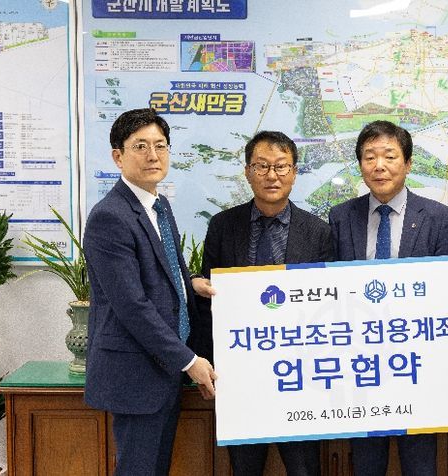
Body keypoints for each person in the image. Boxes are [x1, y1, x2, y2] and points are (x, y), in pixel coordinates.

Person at [83, 108, 217, 475]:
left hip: (163, 370)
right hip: (136, 374)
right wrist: (188, 361)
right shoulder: (110, 216)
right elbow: (132, 305)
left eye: (160, 145)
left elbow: (162, 266)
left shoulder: (158, 205)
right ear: (118, 156)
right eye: (140, 146)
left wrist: (190, 282)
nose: (153, 155)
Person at [191, 130, 332, 476]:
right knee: (245, 468)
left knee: (304, 469)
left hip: (301, 379)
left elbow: (328, 306)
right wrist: (206, 361)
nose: (272, 176)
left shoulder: (318, 232)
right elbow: (209, 303)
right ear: (247, 172)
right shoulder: (223, 226)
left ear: (294, 172)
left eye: (281, 166)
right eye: (262, 166)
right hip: (240, 377)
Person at [328, 120, 448, 476]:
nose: (379, 166)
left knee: (420, 465)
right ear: (360, 165)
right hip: (361, 368)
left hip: (417, 367)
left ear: (408, 163)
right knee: (366, 465)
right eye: (369, 157)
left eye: (389, 156)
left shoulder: (438, 218)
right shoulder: (341, 217)